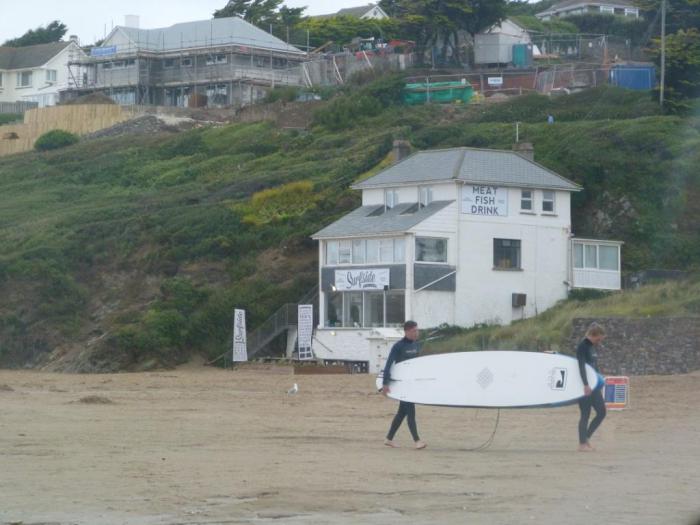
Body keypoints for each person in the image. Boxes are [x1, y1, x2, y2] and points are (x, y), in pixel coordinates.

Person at [382, 320, 426, 450]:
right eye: (413, 331)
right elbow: (389, 364)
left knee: (402, 413)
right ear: (406, 331)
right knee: (410, 411)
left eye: (417, 330)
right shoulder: (398, 346)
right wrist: (385, 383)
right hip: (402, 384)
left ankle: (389, 439)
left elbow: (418, 365)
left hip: (412, 383)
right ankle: (417, 441)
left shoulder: (416, 345)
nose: (416, 333)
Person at [576, 322, 607, 451]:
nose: (599, 341)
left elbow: (594, 367)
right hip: (585, 386)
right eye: (599, 339)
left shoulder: (592, 347)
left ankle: (586, 438)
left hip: (594, 385)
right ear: (594, 335)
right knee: (585, 414)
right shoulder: (583, 346)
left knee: (602, 412)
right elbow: (581, 366)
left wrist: (600, 379)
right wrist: (585, 384)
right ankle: (582, 444)